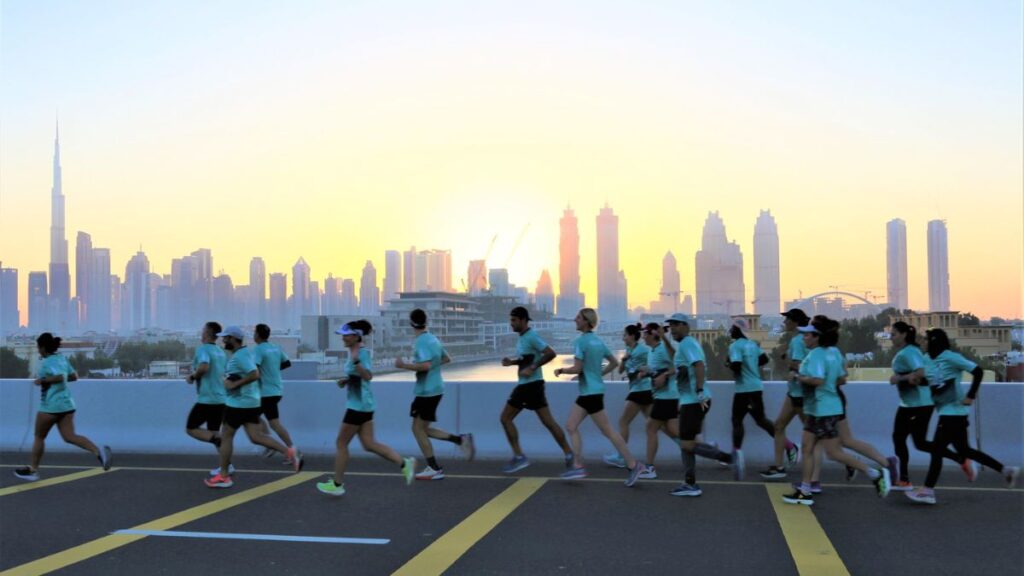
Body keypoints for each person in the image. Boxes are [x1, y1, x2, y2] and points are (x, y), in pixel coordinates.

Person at [782, 318, 890, 506]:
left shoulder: (815, 355)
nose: (804, 337)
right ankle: (805, 491)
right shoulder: (834, 353)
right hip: (827, 407)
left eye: (807, 334)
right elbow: (842, 379)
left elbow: (817, 380)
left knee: (832, 453)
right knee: (807, 447)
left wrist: (798, 377)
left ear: (817, 337)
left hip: (821, 409)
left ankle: (874, 473)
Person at [906, 329, 1019, 504]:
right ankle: (1006, 470)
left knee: (937, 450)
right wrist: (917, 381)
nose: (923, 343)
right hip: (946, 412)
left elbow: (978, 372)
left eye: (926, 340)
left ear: (935, 341)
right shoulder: (928, 359)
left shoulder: (950, 357)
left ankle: (927, 491)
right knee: (965, 450)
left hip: (954, 413)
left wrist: (971, 395)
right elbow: (933, 381)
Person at [317, 321, 416, 496]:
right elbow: (359, 378)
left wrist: (356, 363)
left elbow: (368, 376)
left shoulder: (361, 353)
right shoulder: (354, 351)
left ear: (355, 336)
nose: (343, 338)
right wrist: (346, 380)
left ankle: (337, 484)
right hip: (364, 404)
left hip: (358, 406)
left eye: (346, 335)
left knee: (341, 443)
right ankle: (404, 463)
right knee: (369, 444)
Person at [553, 308, 643, 487]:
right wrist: (598, 374)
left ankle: (633, 465)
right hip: (593, 391)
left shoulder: (580, 342)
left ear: (586, 322)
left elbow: (577, 368)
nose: (575, 320)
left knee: (605, 430)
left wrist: (561, 370)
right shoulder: (598, 341)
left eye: (578, 318)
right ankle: (579, 464)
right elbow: (615, 362)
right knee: (573, 426)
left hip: (589, 393)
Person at [205, 326, 302, 488]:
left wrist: (234, 384)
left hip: (238, 403)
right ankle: (290, 452)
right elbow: (280, 365)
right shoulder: (248, 353)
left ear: (234, 339)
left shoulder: (242, 356)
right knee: (256, 437)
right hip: (252, 401)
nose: (223, 340)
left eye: (226, 338)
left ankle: (224, 475)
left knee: (226, 436)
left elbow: (254, 374)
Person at [888, 321, 974, 491]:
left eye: (894, 334)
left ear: (904, 334)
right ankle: (960, 459)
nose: (891, 338)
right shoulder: (907, 352)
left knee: (907, 440)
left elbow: (920, 373)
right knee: (913, 441)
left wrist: (899, 378)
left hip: (918, 404)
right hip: (910, 404)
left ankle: (904, 479)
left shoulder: (910, 352)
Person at [14, 333, 111, 481]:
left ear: (43, 348)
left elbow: (60, 377)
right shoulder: (62, 359)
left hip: (50, 406)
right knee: (70, 437)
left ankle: (33, 470)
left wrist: (43, 380)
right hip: (67, 406)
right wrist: (56, 380)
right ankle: (98, 452)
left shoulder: (47, 362)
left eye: (38, 347)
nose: (38, 350)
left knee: (39, 437)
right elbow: (73, 377)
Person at [663, 314, 739, 497]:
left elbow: (698, 365)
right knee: (685, 443)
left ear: (685, 326)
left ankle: (729, 458)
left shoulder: (688, 344)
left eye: (675, 325)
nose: (672, 328)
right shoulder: (685, 345)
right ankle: (690, 483)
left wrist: (698, 391)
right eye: (670, 325)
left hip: (695, 401)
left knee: (687, 444)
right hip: (689, 401)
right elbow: (681, 365)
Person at [395, 308, 474, 481]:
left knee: (417, 429)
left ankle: (434, 468)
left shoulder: (421, 341)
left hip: (426, 391)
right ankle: (460, 440)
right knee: (423, 429)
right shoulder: (433, 339)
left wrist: (403, 366)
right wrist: (431, 368)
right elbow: (446, 359)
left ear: (411, 323)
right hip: (436, 389)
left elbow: (424, 366)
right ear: (426, 321)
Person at [499, 306, 573, 474]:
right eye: (510, 320)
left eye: (514, 320)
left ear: (523, 320)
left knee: (505, 418)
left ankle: (519, 457)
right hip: (533, 385)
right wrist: (512, 362)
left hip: (529, 386)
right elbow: (526, 358)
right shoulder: (522, 338)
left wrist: (532, 367)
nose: (511, 324)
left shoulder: (531, 336)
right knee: (549, 423)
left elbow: (550, 353)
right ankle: (569, 454)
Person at [727, 318, 787, 467]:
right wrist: (751, 366)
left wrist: (728, 364)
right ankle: (789, 445)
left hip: (743, 390)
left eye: (732, 328)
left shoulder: (735, 346)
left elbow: (736, 366)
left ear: (737, 330)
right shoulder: (752, 345)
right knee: (761, 420)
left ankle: (737, 454)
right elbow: (764, 359)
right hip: (756, 387)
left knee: (737, 421)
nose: (730, 331)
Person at [760, 309, 807, 479]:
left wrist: (782, 356)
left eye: (787, 319)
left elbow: (799, 365)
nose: (784, 322)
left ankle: (844, 460)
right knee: (779, 426)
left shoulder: (798, 340)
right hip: (794, 392)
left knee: (814, 433)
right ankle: (779, 467)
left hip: (801, 393)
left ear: (795, 322)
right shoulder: (800, 338)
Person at [603, 323, 653, 469]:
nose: (623, 338)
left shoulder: (643, 350)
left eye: (625, 335)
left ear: (632, 336)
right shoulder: (629, 350)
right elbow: (620, 372)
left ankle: (621, 457)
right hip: (641, 390)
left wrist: (643, 371)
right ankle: (687, 445)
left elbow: (652, 366)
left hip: (640, 390)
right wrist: (624, 360)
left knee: (623, 422)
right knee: (656, 424)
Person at [185, 321, 229, 475]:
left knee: (191, 428)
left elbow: (204, 367)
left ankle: (218, 441)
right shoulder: (220, 352)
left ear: (208, 333)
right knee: (214, 431)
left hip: (207, 399)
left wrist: (192, 376)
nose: (201, 332)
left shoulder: (203, 350)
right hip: (221, 398)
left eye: (203, 330)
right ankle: (226, 466)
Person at [251, 323, 297, 464]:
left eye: (254, 332)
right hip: (276, 390)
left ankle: (282, 449)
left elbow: (254, 370)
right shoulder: (275, 348)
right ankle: (284, 448)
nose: (253, 335)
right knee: (270, 422)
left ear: (257, 335)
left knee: (253, 417)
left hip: (265, 392)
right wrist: (273, 369)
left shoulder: (258, 350)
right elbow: (287, 363)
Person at [639, 322, 678, 479]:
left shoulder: (662, 348)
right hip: (662, 396)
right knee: (676, 432)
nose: (643, 336)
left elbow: (675, 366)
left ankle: (649, 468)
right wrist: (646, 372)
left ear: (652, 335)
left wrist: (665, 376)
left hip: (666, 397)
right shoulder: (652, 351)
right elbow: (657, 370)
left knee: (650, 428)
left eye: (645, 334)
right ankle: (708, 449)